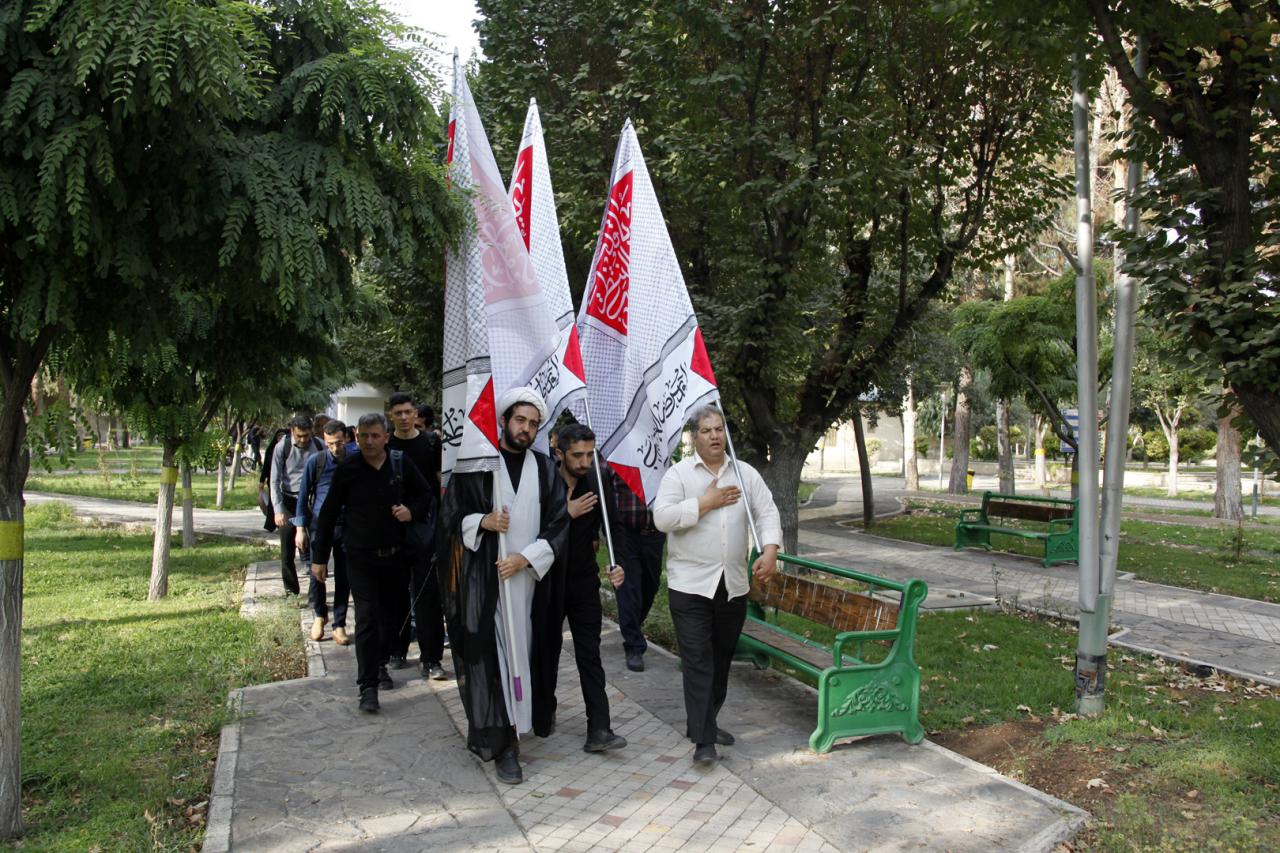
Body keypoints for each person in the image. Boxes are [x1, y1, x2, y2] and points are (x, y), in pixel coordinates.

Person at [438, 388, 568, 785]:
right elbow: (450, 517)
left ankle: (522, 722)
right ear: (504, 421)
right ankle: (503, 744)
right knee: (492, 659)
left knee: (525, 655)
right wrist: (482, 521)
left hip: (530, 583)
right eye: (520, 420)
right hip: (487, 582)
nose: (526, 428)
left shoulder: (545, 468)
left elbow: (559, 523)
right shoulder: (478, 465)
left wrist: (525, 558)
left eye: (533, 424)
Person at [653, 405, 782, 768]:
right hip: (689, 586)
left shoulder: (744, 473)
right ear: (694, 436)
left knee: (721, 661)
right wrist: (704, 504)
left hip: (733, 586)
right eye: (706, 430)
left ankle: (705, 721)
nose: (714, 435)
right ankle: (704, 740)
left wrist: (770, 550)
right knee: (698, 661)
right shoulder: (678, 475)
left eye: (719, 429)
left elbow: (767, 512)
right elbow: (662, 518)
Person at [311, 413, 433, 713]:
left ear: (386, 437)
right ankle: (367, 686)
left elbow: (426, 495)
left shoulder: (399, 463)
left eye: (375, 436)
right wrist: (319, 558)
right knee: (366, 618)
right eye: (364, 436)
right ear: (356, 436)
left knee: (389, 618)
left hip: (395, 557)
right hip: (360, 557)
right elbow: (327, 514)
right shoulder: (348, 468)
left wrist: (411, 511)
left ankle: (380, 664)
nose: (369, 441)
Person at [531, 423, 627, 753]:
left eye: (590, 454)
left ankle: (599, 728)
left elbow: (613, 528)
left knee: (590, 654)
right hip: (547, 581)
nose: (585, 462)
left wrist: (617, 564)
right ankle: (543, 713)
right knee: (546, 650)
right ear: (559, 453)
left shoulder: (597, 481)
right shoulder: (543, 483)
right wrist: (565, 512)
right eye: (578, 455)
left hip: (584, 582)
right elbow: (530, 530)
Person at [386, 392, 447, 680]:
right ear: (391, 415)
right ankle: (396, 650)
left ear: (415, 414)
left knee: (428, 597)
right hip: (392, 531)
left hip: (426, 529)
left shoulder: (431, 443)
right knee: (395, 593)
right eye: (398, 413)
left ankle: (431, 658)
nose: (404, 417)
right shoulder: (385, 445)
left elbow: (439, 486)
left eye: (408, 412)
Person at [293, 420, 352, 645]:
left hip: (346, 525)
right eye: (330, 444)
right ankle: (319, 614)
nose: (335, 447)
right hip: (320, 525)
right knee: (316, 572)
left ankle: (339, 623)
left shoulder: (354, 460)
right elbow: (303, 496)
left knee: (344, 575)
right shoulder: (316, 461)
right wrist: (300, 529)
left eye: (339, 442)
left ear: (346, 438)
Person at [606, 463, 666, 673]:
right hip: (625, 536)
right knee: (629, 591)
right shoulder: (612, 459)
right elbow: (604, 498)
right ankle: (634, 646)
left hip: (654, 534)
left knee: (650, 587)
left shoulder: (659, 457)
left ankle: (631, 626)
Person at [270, 415, 324, 594]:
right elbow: (274, 481)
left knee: (315, 548)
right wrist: (278, 510)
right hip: (289, 501)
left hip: (312, 501)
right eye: (299, 436)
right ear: (292, 431)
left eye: (306, 435)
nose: (303, 440)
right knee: (287, 550)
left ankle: (315, 592)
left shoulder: (319, 446)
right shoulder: (282, 447)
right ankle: (291, 591)